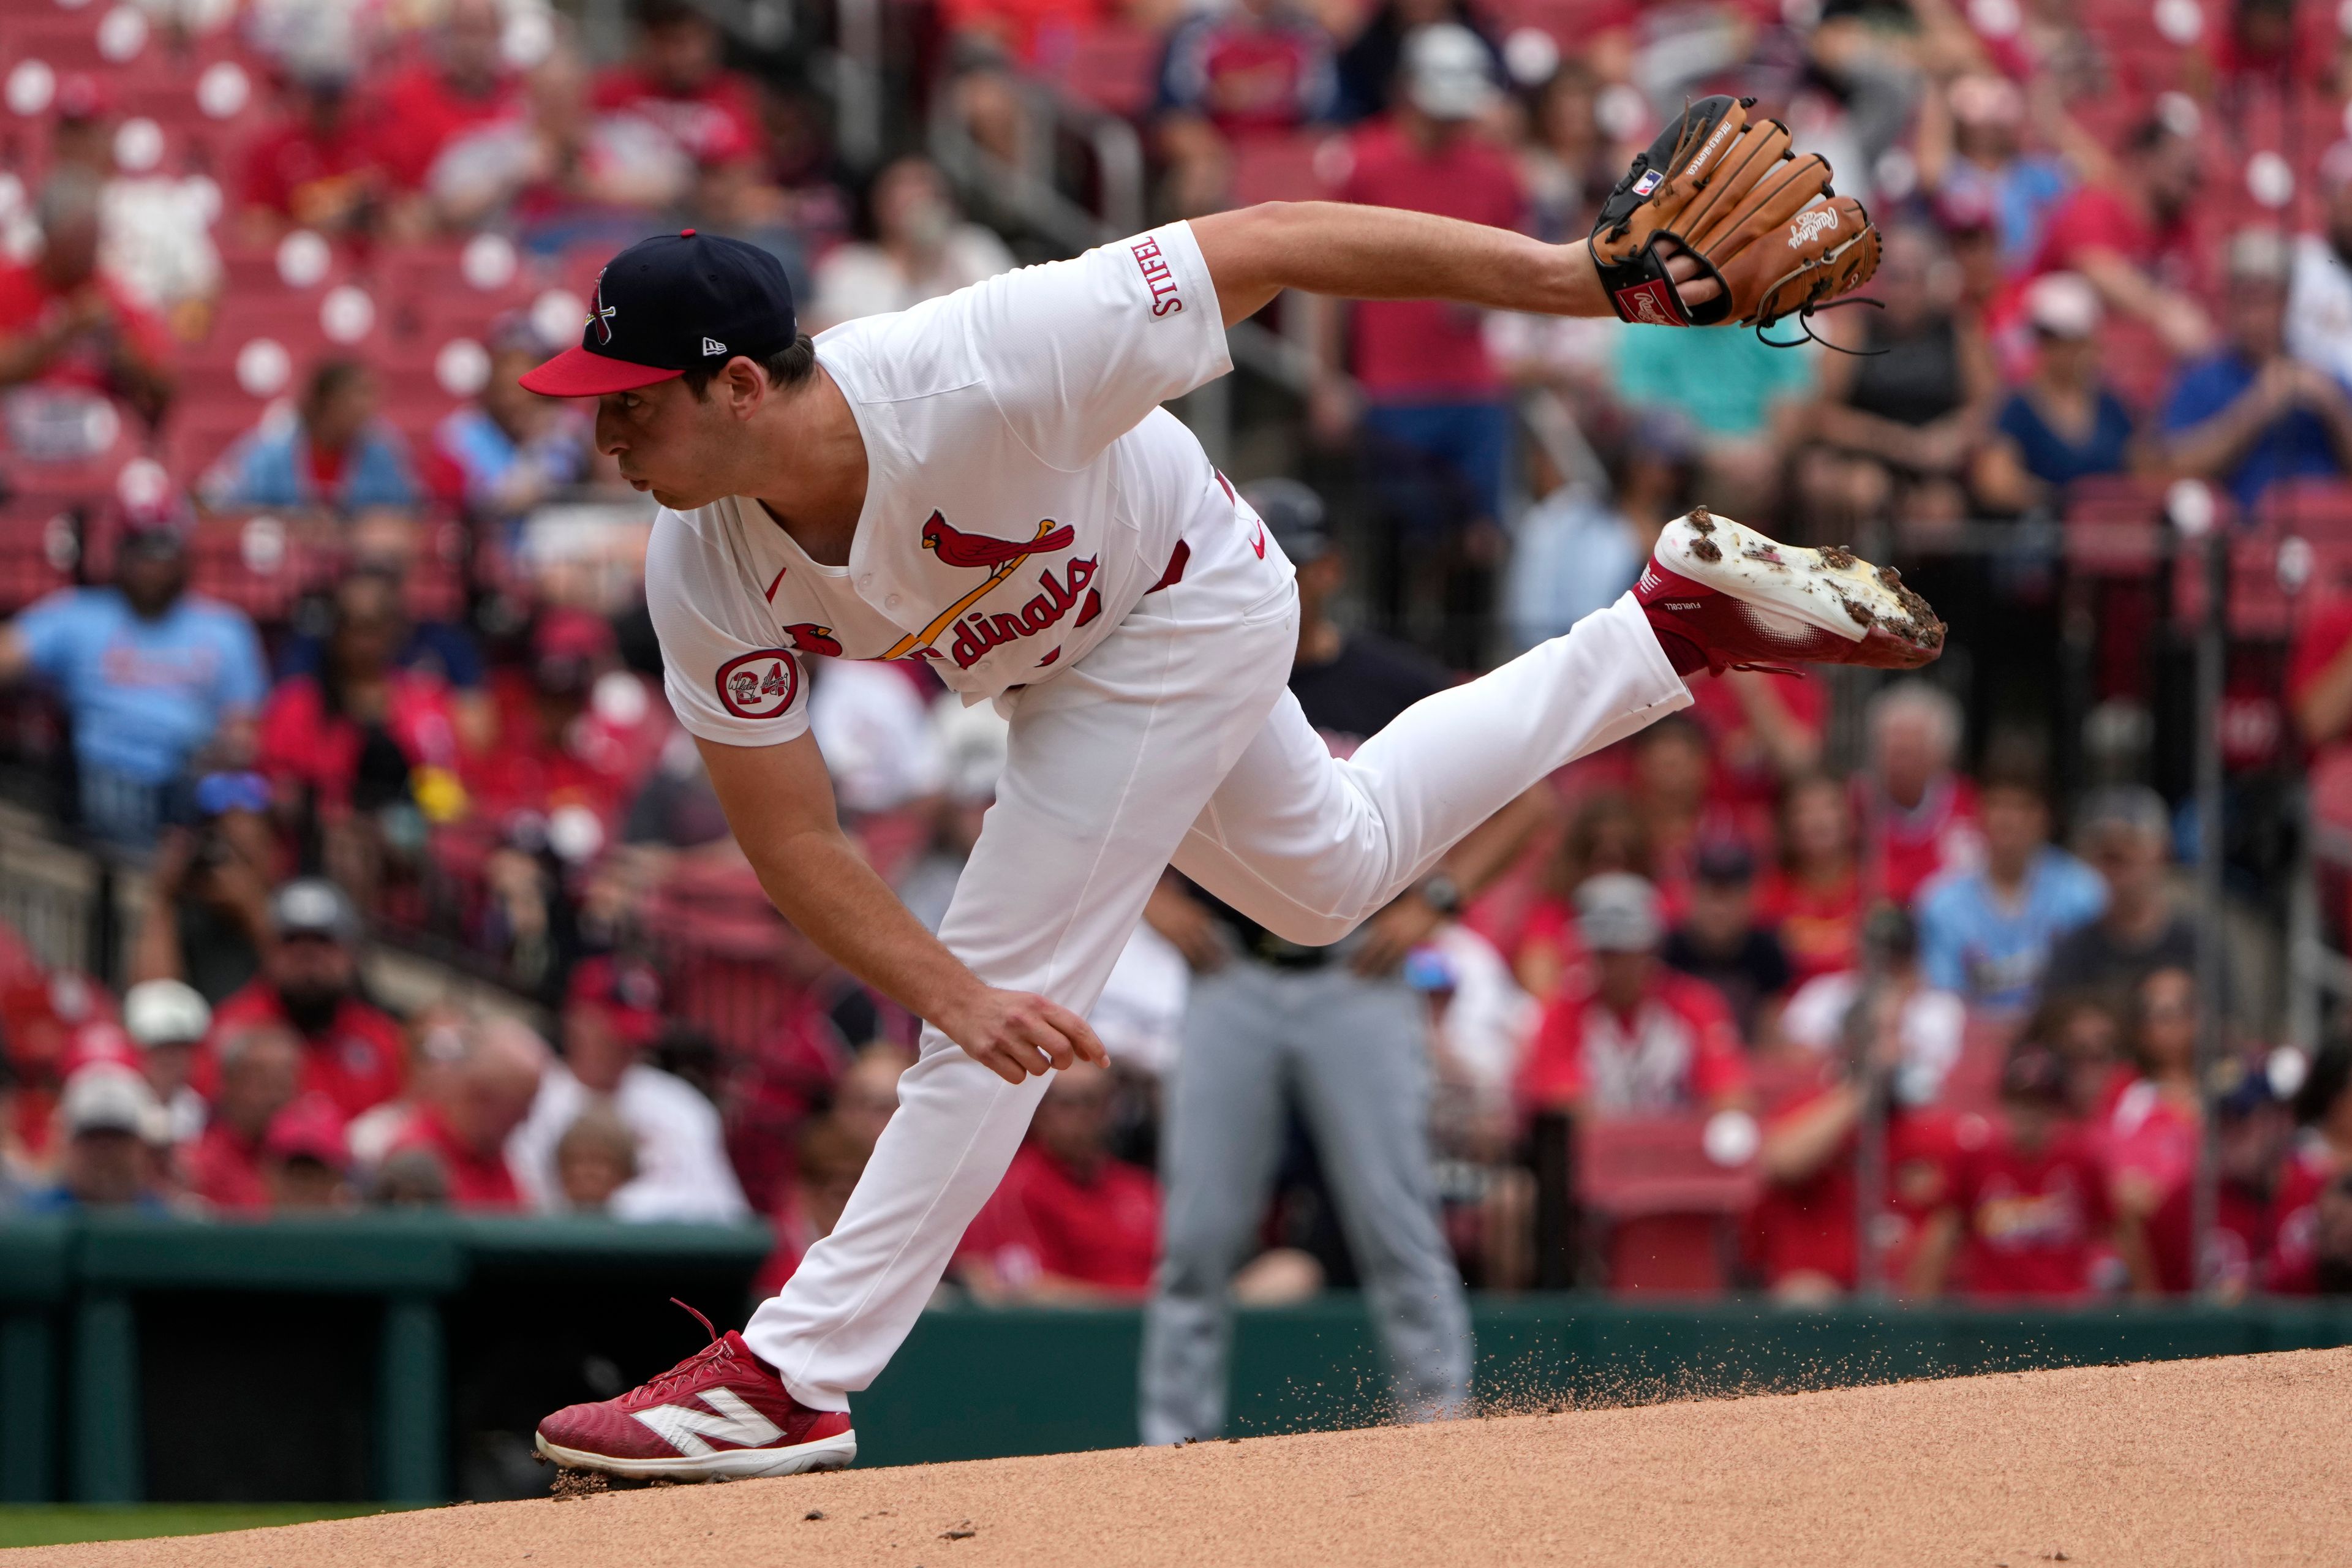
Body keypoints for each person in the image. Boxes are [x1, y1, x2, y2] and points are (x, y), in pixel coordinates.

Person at [516, 126, 1924, 1479]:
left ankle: (791, 1373)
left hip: (1180, 592)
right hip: (1061, 671)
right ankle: (1664, 627)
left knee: (998, 1005)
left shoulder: (976, 363)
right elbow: (789, 834)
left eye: (627, 400)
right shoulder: (692, 567)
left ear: (742, 389)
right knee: (1325, 873)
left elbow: (1270, 240)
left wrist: (1568, 279)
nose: (603, 436)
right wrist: (938, 980)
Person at [1140, 480, 1520, 1445]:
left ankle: (1439, 1430)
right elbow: (1114, 791)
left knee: (1401, 1228)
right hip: (1235, 973)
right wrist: (1156, 900)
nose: (1269, 575)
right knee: (1197, 1241)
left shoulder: (1388, 682)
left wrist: (1434, 904)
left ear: (1332, 571)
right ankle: (1166, 1451)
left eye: (1291, 560)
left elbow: (1530, 796)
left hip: (1356, 976)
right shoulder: (1209, 679)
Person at [1315, 24, 1525, 657]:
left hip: (1473, 390)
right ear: (1407, 90)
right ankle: (1389, 683)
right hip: (1394, 388)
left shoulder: (1495, 173)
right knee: (1395, 545)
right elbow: (1326, 275)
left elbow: (1518, 270)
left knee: (1478, 545)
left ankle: (1465, 681)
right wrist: (1328, 376)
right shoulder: (1364, 161)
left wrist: (1487, 298)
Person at [0, 503, 268, 850]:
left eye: (163, 551)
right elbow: (9, 652)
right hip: (102, 773)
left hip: (191, 777)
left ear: (184, 556)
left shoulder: (225, 629)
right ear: (120, 554)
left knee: (242, 797)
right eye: (141, 551)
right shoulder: (79, 615)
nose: (152, 567)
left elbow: (245, 729)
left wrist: (223, 751)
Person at [507, 956, 748, 1221]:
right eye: (613, 1032)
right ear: (577, 1019)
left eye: (635, 1036)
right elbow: (525, 1203)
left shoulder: (681, 1105)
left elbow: (727, 1213)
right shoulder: (533, 1096)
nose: (626, 1046)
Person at [1516, 874, 1751, 1122]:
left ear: (1651, 948)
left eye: (1626, 952)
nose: (1614, 967)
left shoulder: (1695, 1004)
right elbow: (1565, 1106)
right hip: (1597, 1155)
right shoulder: (1564, 1012)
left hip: (1679, 1152)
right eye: (1604, 953)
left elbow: (1730, 1099)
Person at [2163, 228, 2352, 516]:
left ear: (2288, 302)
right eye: (2245, 302)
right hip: (2243, 538)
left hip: (2329, 532)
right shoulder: (2202, 378)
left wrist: (2332, 405)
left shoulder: (2323, 373)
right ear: (2228, 303)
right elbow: (2172, 466)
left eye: (2267, 301)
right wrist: (2258, 406)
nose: (2255, 316)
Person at [1910, 1042, 2113, 1300]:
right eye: (2020, 1101)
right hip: (1995, 1318)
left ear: (2057, 1108)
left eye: (2040, 1103)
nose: (2028, 1114)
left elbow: (2115, 1231)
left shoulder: (2082, 1159)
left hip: (2064, 1315)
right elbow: (1945, 1232)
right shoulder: (1977, 1158)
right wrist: (1919, 1310)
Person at [200, 880, 407, 1121]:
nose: (308, 954)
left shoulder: (383, 1039)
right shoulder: (230, 1028)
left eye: (323, 940)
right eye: (293, 940)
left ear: (352, 953)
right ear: (268, 950)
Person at [956, 1061, 1161, 1302]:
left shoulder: (1140, 1187)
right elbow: (1028, 1291)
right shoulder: (1013, 1187)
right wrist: (1141, 1305)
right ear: (1039, 1109)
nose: (1083, 1115)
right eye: (1067, 1103)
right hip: (1073, 1334)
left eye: (1093, 1101)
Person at [1915, 767, 2105, 1013]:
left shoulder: (2083, 892)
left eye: (2022, 808)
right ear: (1978, 814)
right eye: (1996, 806)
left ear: (2045, 817)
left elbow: (2090, 996)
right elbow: (1945, 1001)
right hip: (1973, 1042)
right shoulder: (1941, 900)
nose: (2007, 819)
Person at [0, 167, 175, 432]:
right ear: (52, 234)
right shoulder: (9, 280)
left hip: (93, 433)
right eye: (82, 232)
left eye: (96, 232)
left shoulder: (107, 292)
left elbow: (165, 385)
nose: (93, 244)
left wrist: (117, 345)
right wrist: (65, 331)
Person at [1973, 272, 2141, 510]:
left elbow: (2141, 464)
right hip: (2046, 535)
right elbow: (1995, 482)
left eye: (2069, 339)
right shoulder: (2017, 407)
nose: (2059, 350)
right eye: (2049, 337)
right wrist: (2061, 502)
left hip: (2108, 535)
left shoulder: (2112, 405)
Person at [2040, 785, 2213, 1011]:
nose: (2115, 869)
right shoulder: (2073, 951)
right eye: (2106, 855)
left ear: (2162, 854)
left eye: (2128, 850)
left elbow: (2229, 1032)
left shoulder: (2197, 946)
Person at [805, 157, 1015, 332]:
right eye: (905, 188)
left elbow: (1008, 314)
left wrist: (940, 256)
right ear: (877, 204)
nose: (920, 197)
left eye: (928, 186)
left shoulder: (974, 247)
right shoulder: (849, 266)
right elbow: (830, 337)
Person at [202, 358, 421, 513]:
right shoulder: (271, 449)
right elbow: (210, 502)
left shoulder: (384, 453)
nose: (369, 405)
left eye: (371, 394)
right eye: (359, 394)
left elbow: (412, 510)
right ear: (328, 400)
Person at [385, 1015, 547, 1210]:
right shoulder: (418, 1159)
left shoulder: (492, 1154)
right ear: (481, 1099)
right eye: (520, 1107)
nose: (526, 1119)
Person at [1857, 680, 1982, 909]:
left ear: (1940, 755)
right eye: (1888, 749)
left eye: (1907, 753)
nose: (1896, 764)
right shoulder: (1856, 804)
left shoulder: (1971, 807)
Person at [1661, 839, 1792, 1047]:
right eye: (1711, 896)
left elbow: (1770, 1035)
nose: (1719, 910)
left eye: (1730, 897)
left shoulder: (1766, 950)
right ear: (1691, 896)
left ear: (1751, 899)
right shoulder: (1670, 951)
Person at [179, 1025, 302, 1213]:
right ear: (228, 1083)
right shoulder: (198, 1164)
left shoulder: (313, 1158)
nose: (275, 1097)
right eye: (263, 1083)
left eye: (284, 1083)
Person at [22, 1063, 169, 1212]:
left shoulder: (166, 1228)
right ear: (69, 1145)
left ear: (142, 1147)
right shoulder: (33, 1222)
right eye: (92, 1137)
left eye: (117, 1137)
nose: (105, 1153)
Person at [121, 978, 211, 1144]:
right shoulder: (118, 1104)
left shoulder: (198, 1110)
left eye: (179, 1049)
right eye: (160, 1049)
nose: (170, 1060)